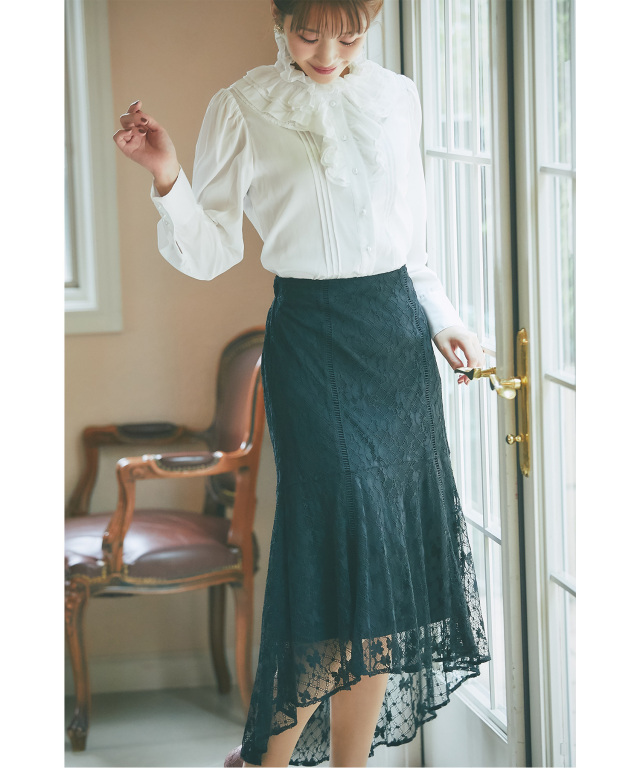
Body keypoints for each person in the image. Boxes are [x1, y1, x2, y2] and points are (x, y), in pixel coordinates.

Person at [113, 1, 491, 766]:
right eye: (308, 32)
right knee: (331, 556)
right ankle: (264, 760)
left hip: (395, 338)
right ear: (279, 20)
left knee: (381, 574)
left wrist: (444, 319)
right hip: (311, 341)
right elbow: (211, 249)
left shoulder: (397, 97)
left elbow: (410, 243)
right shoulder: (242, 106)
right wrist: (167, 175)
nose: (328, 52)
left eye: (350, 35)